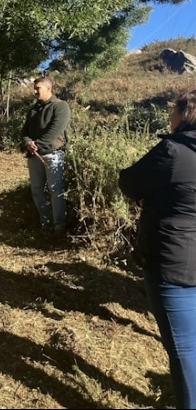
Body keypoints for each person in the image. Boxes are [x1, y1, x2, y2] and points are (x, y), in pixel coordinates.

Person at [118, 89, 196, 409]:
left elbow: (129, 181)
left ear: (184, 114)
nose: (169, 115)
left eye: (173, 110)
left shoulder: (172, 151)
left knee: (185, 351)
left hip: (173, 265)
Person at [20, 76, 70, 237]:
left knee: (56, 191)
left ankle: (59, 227)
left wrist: (37, 145)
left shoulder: (60, 106)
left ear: (49, 89)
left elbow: (55, 131)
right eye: (34, 88)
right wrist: (28, 142)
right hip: (34, 156)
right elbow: (24, 132)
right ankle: (46, 224)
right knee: (37, 190)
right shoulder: (33, 110)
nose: (35, 91)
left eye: (38, 88)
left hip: (53, 155)